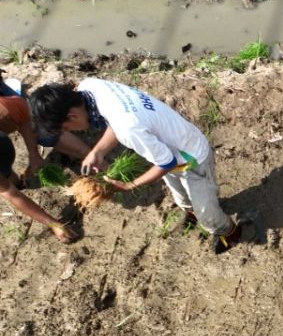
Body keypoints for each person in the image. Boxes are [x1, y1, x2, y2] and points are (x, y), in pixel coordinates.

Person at [29, 80, 243, 253]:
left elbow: (165, 162)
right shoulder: (90, 87)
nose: (72, 131)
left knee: (208, 215)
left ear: (72, 116)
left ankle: (229, 232)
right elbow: (116, 120)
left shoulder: (128, 128)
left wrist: (131, 185)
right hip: (167, 146)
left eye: (67, 128)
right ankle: (191, 213)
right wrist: (98, 151)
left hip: (191, 156)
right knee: (181, 198)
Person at [0, 132, 78, 243]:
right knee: (7, 174)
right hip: (4, 144)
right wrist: (33, 153)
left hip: (3, 148)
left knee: (7, 183)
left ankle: (15, 183)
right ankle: (17, 183)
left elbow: (13, 196)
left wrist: (54, 224)